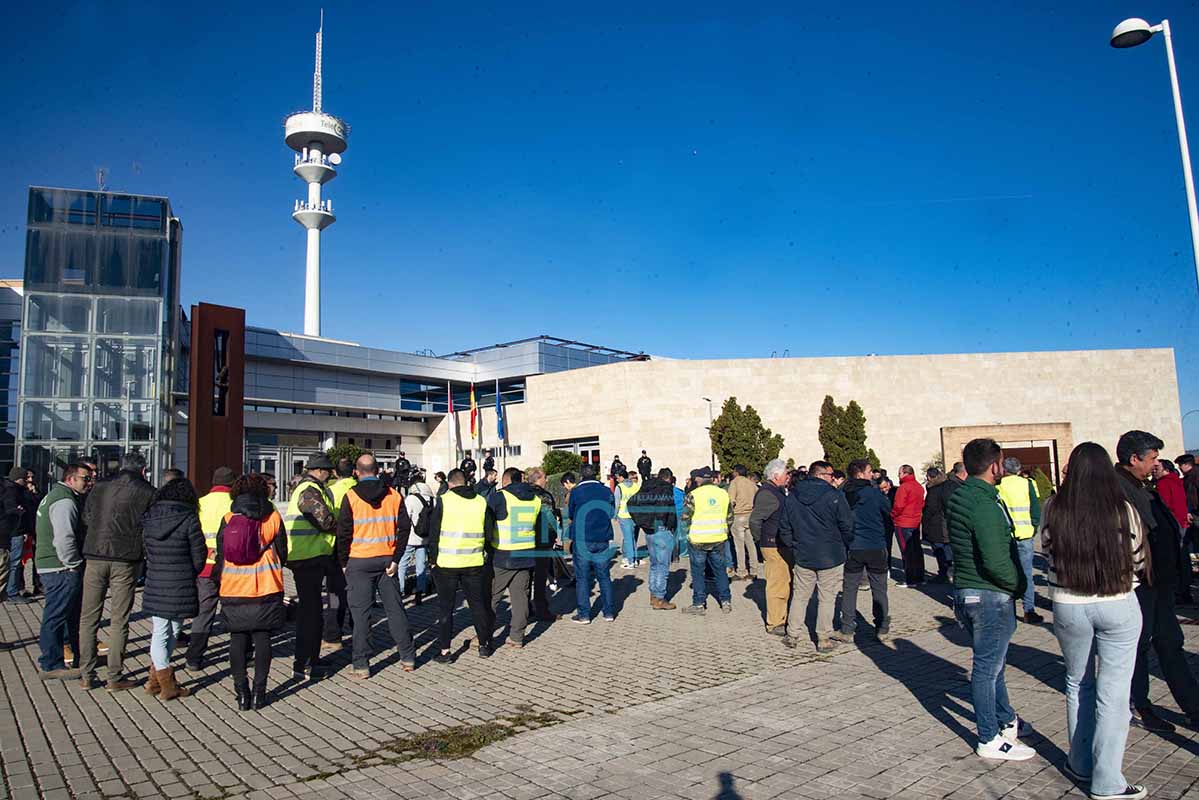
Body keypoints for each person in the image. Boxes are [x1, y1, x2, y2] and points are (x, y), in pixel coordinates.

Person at [1043, 442, 1147, 800]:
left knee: (1077, 683)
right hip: (1117, 600)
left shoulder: (1054, 507)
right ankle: (1107, 781)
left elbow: (1047, 550)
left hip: (1069, 603)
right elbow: (1138, 558)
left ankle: (1080, 762)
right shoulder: (1124, 509)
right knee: (1114, 692)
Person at [947, 438, 1032, 760]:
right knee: (986, 669)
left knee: (993, 665)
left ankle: (1006, 719)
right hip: (988, 595)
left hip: (969, 592)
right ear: (995, 465)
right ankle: (989, 737)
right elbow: (995, 560)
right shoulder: (982, 503)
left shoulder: (963, 495)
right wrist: (1020, 586)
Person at [1116, 431, 1199, 734]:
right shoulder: (1118, 490)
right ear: (1134, 458)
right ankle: (1140, 705)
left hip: (1160, 583)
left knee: (1170, 642)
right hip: (1139, 584)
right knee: (1138, 646)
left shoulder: (1140, 486)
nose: (1156, 464)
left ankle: (1193, 707)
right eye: (1152, 458)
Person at [78, 452, 156, 691]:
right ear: (143, 470)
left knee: (89, 617)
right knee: (119, 619)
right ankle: (114, 676)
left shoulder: (100, 486)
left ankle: (86, 674)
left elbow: (87, 517)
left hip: (95, 553)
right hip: (126, 557)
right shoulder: (148, 491)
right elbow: (150, 526)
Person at [336, 454, 416, 677]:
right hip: (387, 561)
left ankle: (362, 664)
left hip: (359, 561)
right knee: (395, 610)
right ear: (378, 470)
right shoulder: (394, 495)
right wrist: (396, 558)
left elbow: (343, 533)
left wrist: (343, 562)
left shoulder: (351, 496)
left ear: (356, 472)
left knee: (361, 615)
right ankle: (408, 656)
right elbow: (404, 529)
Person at [214, 474, 287, 710]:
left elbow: (221, 553)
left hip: (234, 585)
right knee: (263, 638)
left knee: (237, 638)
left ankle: (241, 692)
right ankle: (259, 693)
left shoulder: (229, 518)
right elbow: (283, 552)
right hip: (266, 585)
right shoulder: (273, 517)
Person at [140, 477, 205, 701]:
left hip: (156, 579)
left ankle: (155, 680)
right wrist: (191, 570)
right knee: (172, 629)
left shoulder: (149, 517)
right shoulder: (189, 518)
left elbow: (145, 548)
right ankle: (168, 684)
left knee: (163, 630)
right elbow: (199, 554)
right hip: (182, 580)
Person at [778, 461, 854, 652]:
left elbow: (784, 527)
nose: (833, 479)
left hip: (804, 553)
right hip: (831, 554)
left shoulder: (792, 496)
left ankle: (792, 634)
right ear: (820, 475)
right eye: (830, 475)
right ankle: (823, 638)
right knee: (827, 597)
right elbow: (847, 524)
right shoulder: (834, 496)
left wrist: (794, 546)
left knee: (800, 596)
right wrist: (845, 544)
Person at [283, 454, 342, 679]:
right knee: (310, 615)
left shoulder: (311, 488)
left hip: (310, 557)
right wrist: (344, 527)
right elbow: (324, 521)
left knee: (314, 612)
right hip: (307, 559)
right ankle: (304, 664)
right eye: (328, 471)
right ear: (318, 470)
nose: (330, 475)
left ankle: (311, 659)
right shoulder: (309, 490)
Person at [427, 469, 495, 660]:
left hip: (446, 563)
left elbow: (434, 533)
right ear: (465, 482)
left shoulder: (444, 500)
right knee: (478, 606)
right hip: (474, 562)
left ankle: (445, 651)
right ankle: (484, 645)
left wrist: (432, 560)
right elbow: (489, 532)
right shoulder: (481, 501)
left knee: (446, 608)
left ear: (449, 483)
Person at [34, 463, 92, 678]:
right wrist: (73, 563)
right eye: (85, 478)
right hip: (60, 567)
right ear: (70, 478)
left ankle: (76, 657)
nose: (89, 482)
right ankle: (51, 663)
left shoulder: (57, 495)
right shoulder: (64, 501)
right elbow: (64, 537)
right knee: (56, 615)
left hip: (55, 565)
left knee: (66, 615)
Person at [486, 467, 545, 648]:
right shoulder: (536, 499)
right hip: (526, 554)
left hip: (502, 556)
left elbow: (487, 523)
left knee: (491, 598)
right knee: (520, 598)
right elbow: (539, 528)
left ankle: (484, 636)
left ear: (507, 480)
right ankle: (517, 637)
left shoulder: (499, 497)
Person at [184, 467, 236, 671]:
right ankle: (241, 653)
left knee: (204, 612)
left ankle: (194, 656)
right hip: (230, 566)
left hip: (204, 566)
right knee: (235, 611)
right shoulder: (235, 503)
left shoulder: (199, 503)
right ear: (232, 483)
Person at [838, 459, 892, 641]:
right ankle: (882, 627)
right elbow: (888, 511)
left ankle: (847, 628)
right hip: (875, 544)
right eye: (869, 471)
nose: (872, 475)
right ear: (860, 474)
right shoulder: (873, 493)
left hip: (854, 546)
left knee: (850, 588)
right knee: (879, 587)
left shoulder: (842, 493)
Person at [996, 457, 1044, 624]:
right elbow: (1035, 509)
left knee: (1007, 575)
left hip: (1006, 537)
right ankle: (1028, 610)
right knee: (1026, 574)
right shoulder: (1027, 483)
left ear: (1004, 469)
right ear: (1018, 469)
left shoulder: (998, 486)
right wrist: (1033, 527)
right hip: (1025, 535)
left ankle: (1008, 611)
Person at [680, 467, 734, 616]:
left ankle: (699, 603)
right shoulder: (723, 494)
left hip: (698, 540)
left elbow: (685, 518)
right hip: (718, 538)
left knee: (698, 572)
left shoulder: (693, 495)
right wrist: (724, 531)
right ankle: (725, 601)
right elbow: (730, 517)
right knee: (720, 571)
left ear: (699, 480)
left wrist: (688, 533)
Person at [568, 463, 616, 623]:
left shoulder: (576, 491)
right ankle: (609, 612)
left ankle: (584, 614)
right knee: (604, 576)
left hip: (582, 538)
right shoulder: (606, 491)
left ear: (581, 475)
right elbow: (611, 512)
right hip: (602, 537)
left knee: (582, 578)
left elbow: (571, 513)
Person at [750, 459, 790, 635]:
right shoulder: (767, 493)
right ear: (775, 475)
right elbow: (755, 520)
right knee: (777, 584)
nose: (788, 477)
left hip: (779, 543)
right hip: (772, 544)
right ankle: (775, 622)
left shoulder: (776, 491)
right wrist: (761, 540)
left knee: (783, 582)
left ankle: (782, 617)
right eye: (786, 474)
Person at [629, 467, 679, 610]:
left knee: (654, 564)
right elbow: (664, 508)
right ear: (668, 478)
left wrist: (644, 522)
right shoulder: (665, 488)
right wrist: (660, 521)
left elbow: (631, 502)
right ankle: (659, 598)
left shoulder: (647, 487)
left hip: (649, 531)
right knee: (663, 565)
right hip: (662, 530)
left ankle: (653, 595)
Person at [525, 466, 561, 622]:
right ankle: (541, 609)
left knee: (526, 577)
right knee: (540, 578)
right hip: (541, 541)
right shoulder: (543, 496)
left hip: (524, 541)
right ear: (538, 479)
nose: (546, 480)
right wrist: (554, 536)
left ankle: (525, 609)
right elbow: (549, 520)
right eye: (544, 477)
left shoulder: (522, 494)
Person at [924, 462, 965, 582]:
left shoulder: (935, 489)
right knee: (947, 551)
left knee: (941, 552)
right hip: (946, 524)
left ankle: (945, 574)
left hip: (938, 525)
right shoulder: (949, 485)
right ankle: (949, 573)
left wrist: (925, 524)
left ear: (929, 477)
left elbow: (930, 509)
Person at [399, 479, 434, 604]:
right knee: (421, 566)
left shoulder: (410, 499)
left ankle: (400, 590)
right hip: (425, 538)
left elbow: (405, 518)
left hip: (411, 537)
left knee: (402, 564)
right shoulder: (432, 499)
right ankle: (420, 592)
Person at [890, 465, 925, 587]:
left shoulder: (904, 487)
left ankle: (910, 579)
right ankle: (919, 577)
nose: (898, 475)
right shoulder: (919, 487)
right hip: (915, 522)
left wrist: (892, 515)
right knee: (916, 550)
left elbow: (898, 505)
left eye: (899, 473)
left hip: (903, 522)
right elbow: (922, 503)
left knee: (906, 551)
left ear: (905, 473)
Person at [1, 466, 28, 604]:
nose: (28, 481)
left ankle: (12, 590)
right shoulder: (12, 491)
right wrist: (19, 511)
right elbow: (10, 510)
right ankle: (12, 592)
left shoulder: (12, 489)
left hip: (13, 531)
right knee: (14, 563)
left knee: (13, 563)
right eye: (26, 478)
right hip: (14, 531)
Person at [726, 465, 758, 582]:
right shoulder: (751, 483)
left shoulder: (735, 483)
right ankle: (754, 570)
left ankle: (741, 571)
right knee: (751, 544)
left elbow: (731, 501)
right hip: (750, 515)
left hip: (738, 515)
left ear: (736, 472)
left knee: (739, 546)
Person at [614, 468, 640, 569]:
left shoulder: (619, 487)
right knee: (632, 538)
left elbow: (617, 503)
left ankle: (630, 561)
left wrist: (615, 515)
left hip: (624, 515)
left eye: (617, 478)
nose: (617, 480)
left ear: (621, 477)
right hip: (634, 515)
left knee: (628, 539)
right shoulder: (636, 486)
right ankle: (635, 559)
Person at [1154, 459, 1188, 530]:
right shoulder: (1177, 481)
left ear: (1166, 470)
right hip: (1183, 520)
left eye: (1157, 469)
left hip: (1172, 522)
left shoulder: (1163, 483)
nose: (1153, 471)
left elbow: (1163, 504)